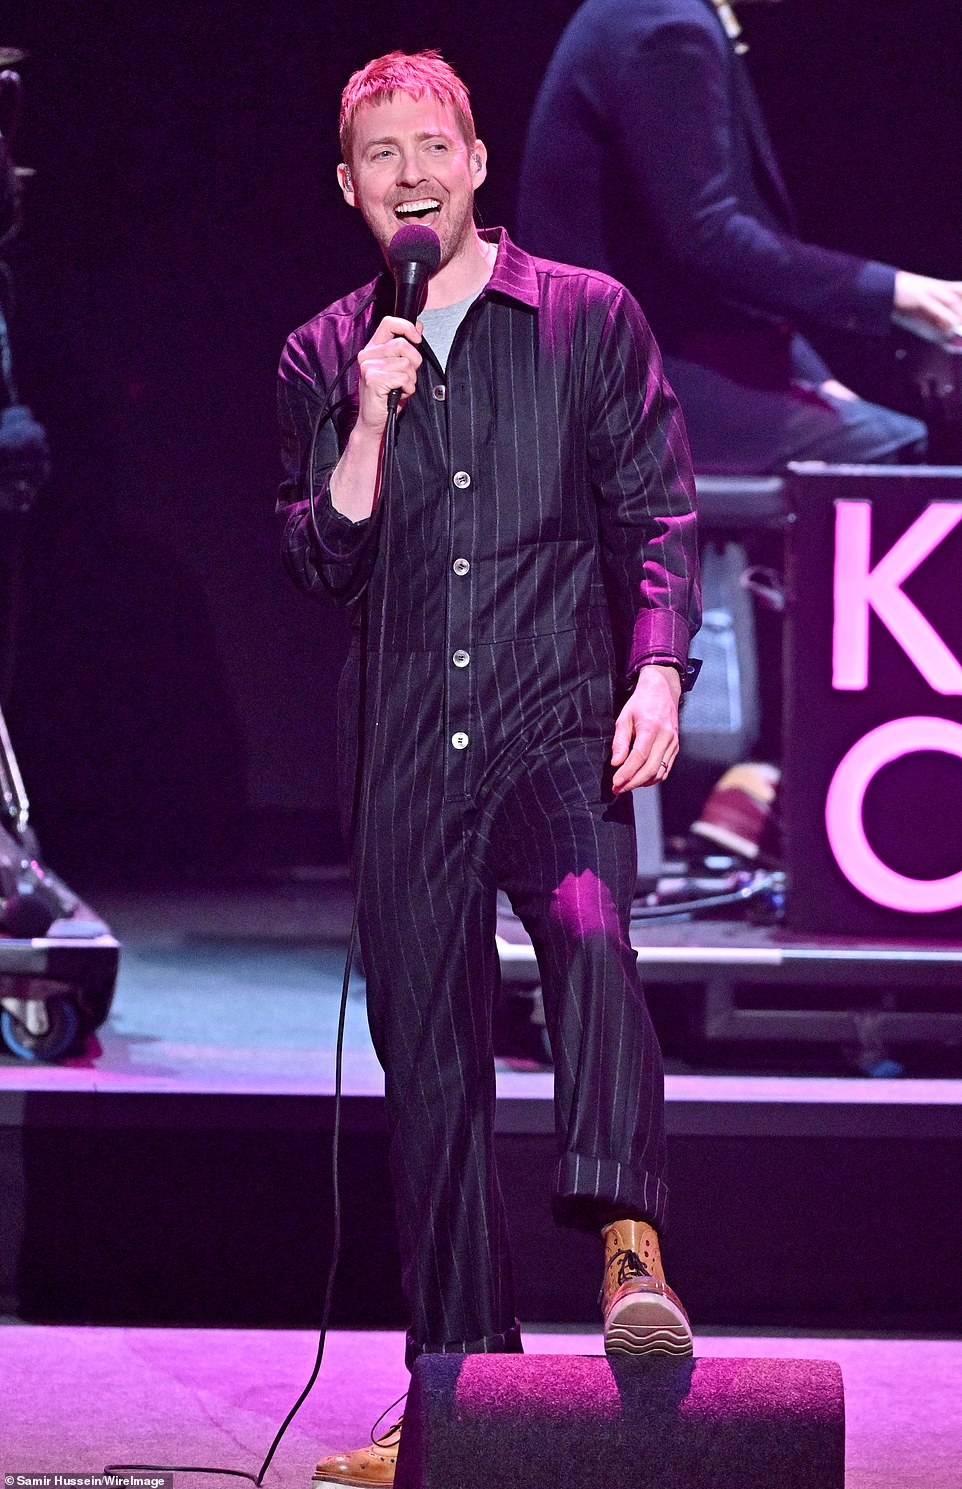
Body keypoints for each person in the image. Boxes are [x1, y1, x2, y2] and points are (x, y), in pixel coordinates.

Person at [277, 51, 701, 1488]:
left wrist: (656, 666)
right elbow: (323, 555)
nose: (407, 173)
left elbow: (654, 506)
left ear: (472, 164)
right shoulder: (323, 355)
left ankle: (628, 1250)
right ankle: (457, 1392)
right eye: (377, 155)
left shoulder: (586, 319)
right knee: (432, 1072)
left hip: (551, 717)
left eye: (429, 146)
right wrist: (372, 418)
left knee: (588, 929)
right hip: (405, 743)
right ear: (350, 188)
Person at [516, 0, 962, 475]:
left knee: (868, 424)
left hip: (628, 351)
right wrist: (898, 292)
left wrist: (812, 375)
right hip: (616, 376)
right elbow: (706, 236)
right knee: (892, 451)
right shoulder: (666, 28)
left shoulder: (655, 14)